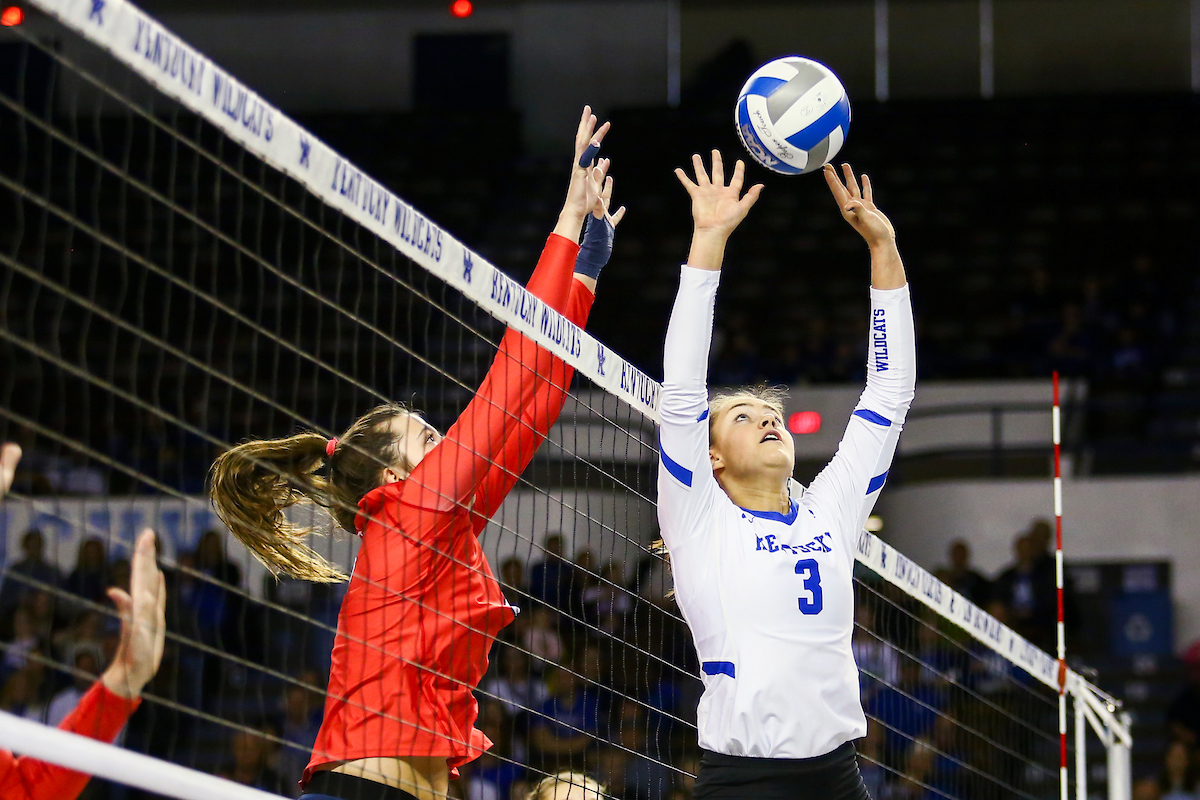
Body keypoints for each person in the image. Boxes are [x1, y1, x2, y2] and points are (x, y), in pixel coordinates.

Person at [208, 106, 624, 800]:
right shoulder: (407, 510)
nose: (445, 439)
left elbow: (536, 403)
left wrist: (583, 280)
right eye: (426, 436)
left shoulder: (441, 524)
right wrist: (564, 220)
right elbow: (511, 375)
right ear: (394, 473)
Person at [655, 153, 914, 800]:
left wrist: (883, 250)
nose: (769, 420)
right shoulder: (698, 518)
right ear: (710, 456)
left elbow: (889, 392)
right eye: (745, 416)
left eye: (773, 413)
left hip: (837, 774)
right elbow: (683, 392)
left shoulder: (830, 510)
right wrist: (708, 240)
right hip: (746, 779)